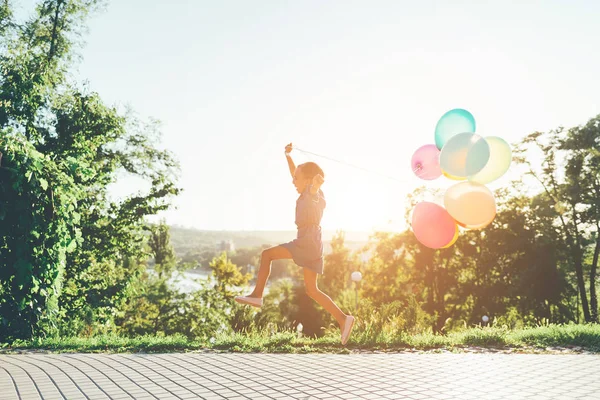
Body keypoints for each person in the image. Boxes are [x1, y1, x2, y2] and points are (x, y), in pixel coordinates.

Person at [235, 142, 356, 345]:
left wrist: (315, 185)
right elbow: (297, 174)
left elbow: (313, 192)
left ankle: (257, 295)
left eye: (297, 179)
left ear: (308, 181)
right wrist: (288, 156)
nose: (293, 181)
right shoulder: (305, 192)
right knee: (312, 290)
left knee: (267, 255)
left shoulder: (313, 193)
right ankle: (344, 319)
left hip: (307, 241)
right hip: (312, 242)